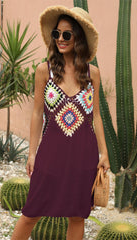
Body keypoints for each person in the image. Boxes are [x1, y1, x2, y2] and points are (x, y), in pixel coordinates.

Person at [11, 5, 110, 240]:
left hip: (84, 156)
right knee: (31, 212)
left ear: (79, 38)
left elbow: (96, 115)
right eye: (57, 34)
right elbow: (37, 114)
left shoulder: (92, 74)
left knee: (77, 216)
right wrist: (32, 153)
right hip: (50, 153)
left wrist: (104, 153)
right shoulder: (43, 71)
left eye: (67, 34)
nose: (60, 39)